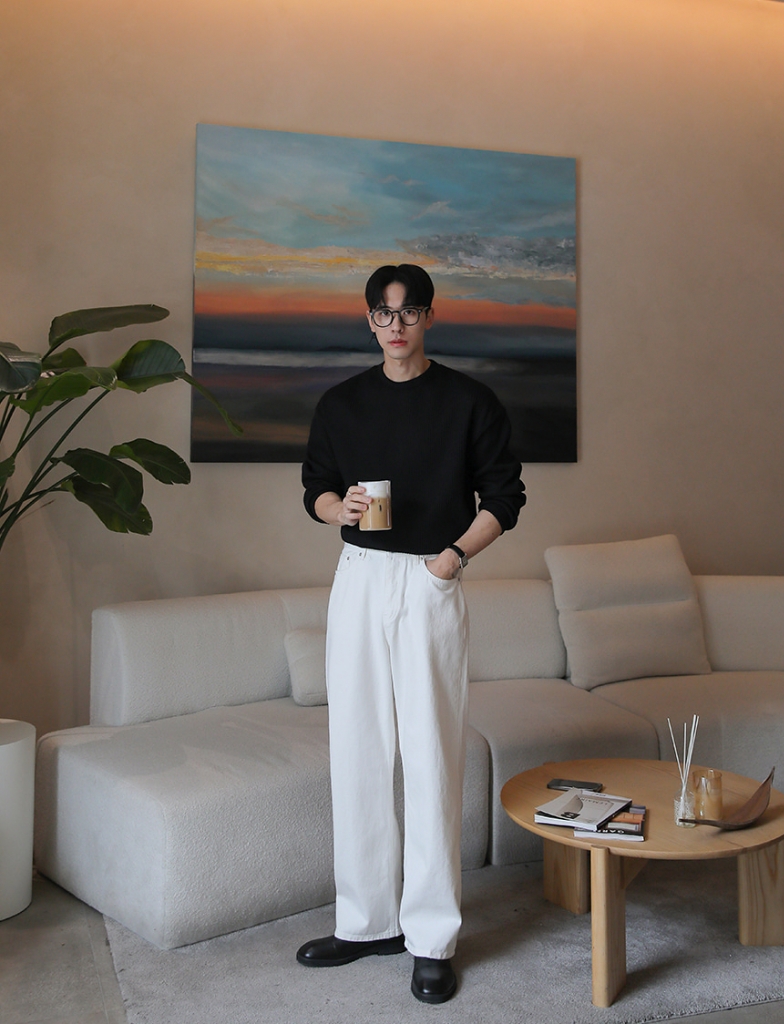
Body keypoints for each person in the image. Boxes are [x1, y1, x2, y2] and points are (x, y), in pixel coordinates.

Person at [298, 264, 526, 1004]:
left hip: (431, 578)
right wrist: (338, 509)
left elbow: (505, 497)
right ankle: (366, 923)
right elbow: (316, 487)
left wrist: (451, 559)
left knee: (431, 756)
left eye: (409, 312)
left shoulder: (469, 401)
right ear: (369, 319)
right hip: (360, 577)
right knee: (358, 751)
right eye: (383, 313)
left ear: (429, 317)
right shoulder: (341, 403)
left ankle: (431, 938)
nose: (395, 326)